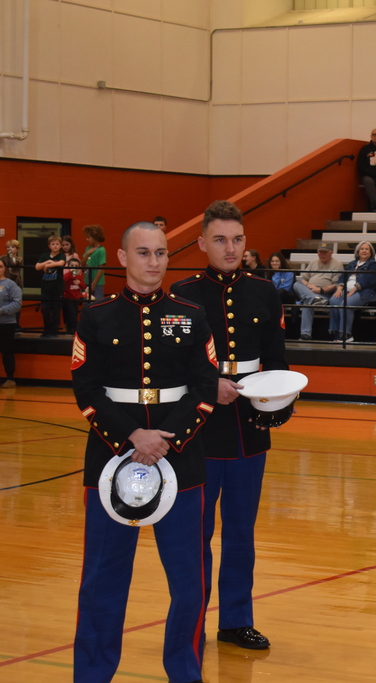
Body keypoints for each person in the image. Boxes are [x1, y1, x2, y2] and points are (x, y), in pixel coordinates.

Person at [72, 221, 219, 683]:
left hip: (181, 459)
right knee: (102, 583)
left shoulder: (191, 314)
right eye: (143, 253)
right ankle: (92, 674)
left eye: (161, 253)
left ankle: (185, 672)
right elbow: (87, 390)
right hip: (111, 459)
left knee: (189, 584)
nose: (154, 262)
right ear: (121, 257)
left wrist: (166, 438)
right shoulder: (95, 316)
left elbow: (204, 388)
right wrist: (134, 436)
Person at [170, 200, 288, 652]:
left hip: (248, 429)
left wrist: (277, 403)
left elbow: (277, 360)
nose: (230, 248)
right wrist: (208, 386)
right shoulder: (182, 294)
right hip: (198, 431)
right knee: (194, 535)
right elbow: (174, 366)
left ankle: (237, 619)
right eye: (220, 240)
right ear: (202, 243)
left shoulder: (264, 292)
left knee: (241, 533)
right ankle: (191, 620)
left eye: (237, 239)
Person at [328, 241, 376, 343]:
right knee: (334, 301)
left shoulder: (373, 264)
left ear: (371, 252)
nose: (364, 251)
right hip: (346, 290)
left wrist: (355, 288)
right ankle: (336, 332)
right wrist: (339, 288)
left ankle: (346, 334)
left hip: (365, 292)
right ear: (358, 251)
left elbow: (369, 280)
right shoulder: (352, 264)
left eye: (366, 249)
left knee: (346, 304)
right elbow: (343, 277)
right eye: (362, 249)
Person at [293, 242, 343, 340]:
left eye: (325, 252)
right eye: (320, 252)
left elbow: (335, 285)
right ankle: (314, 299)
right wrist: (309, 286)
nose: (322, 254)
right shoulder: (313, 262)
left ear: (331, 252)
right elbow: (303, 279)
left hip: (325, 294)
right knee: (296, 284)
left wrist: (320, 290)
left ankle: (305, 334)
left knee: (307, 302)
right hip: (310, 291)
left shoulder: (337, 265)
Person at [35, 234, 65, 337]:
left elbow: (61, 263)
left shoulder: (61, 255)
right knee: (46, 310)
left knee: (56, 310)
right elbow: (37, 267)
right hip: (46, 288)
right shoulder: (44, 256)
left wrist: (48, 265)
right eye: (53, 244)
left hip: (57, 288)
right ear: (49, 246)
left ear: (60, 246)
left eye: (57, 244)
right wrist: (47, 262)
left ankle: (54, 330)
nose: (55, 246)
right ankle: (47, 330)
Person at [0, 258, 21, 388]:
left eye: (0, 266)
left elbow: (17, 304)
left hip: (6, 324)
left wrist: (1, 311)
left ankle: (10, 378)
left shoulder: (11, 285)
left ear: (5, 268)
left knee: (7, 351)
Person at [62, 257, 86, 334]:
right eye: (72, 265)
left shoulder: (79, 277)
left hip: (76, 298)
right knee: (71, 313)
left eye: (76, 266)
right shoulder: (67, 275)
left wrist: (79, 283)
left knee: (74, 313)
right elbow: (64, 280)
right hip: (67, 297)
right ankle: (74, 329)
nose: (74, 268)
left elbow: (83, 287)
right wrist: (70, 273)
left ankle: (71, 329)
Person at [82, 224, 107, 300]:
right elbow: (82, 264)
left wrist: (94, 283)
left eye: (89, 237)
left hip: (97, 282)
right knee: (86, 301)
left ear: (95, 237)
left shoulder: (101, 250)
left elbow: (101, 267)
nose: (87, 239)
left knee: (98, 301)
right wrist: (87, 254)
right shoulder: (88, 249)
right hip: (87, 280)